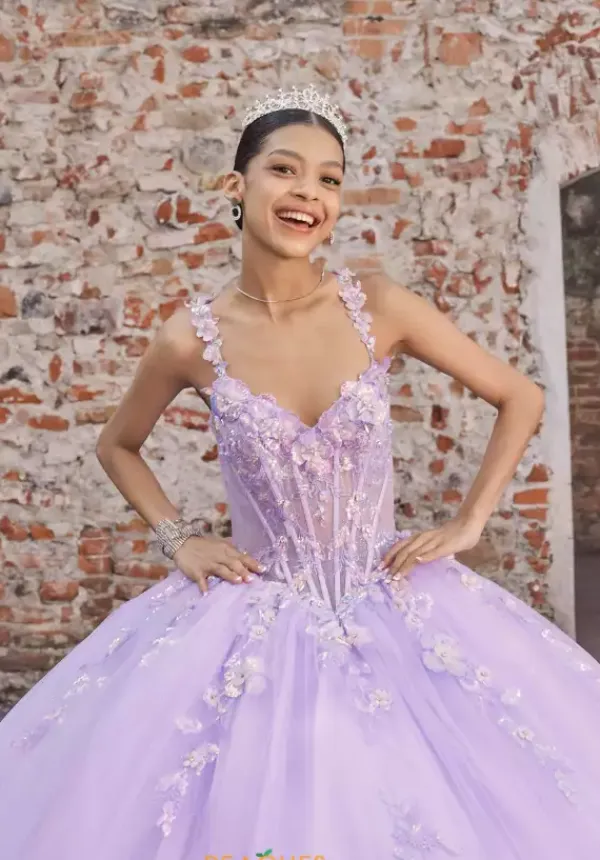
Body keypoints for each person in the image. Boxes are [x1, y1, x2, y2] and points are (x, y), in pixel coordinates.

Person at [1, 84, 600, 860]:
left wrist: (469, 521)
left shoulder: (377, 305)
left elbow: (520, 395)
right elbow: (118, 444)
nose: (308, 194)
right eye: (284, 170)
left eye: (328, 179)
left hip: (394, 597)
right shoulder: (189, 339)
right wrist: (179, 538)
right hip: (257, 612)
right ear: (237, 185)